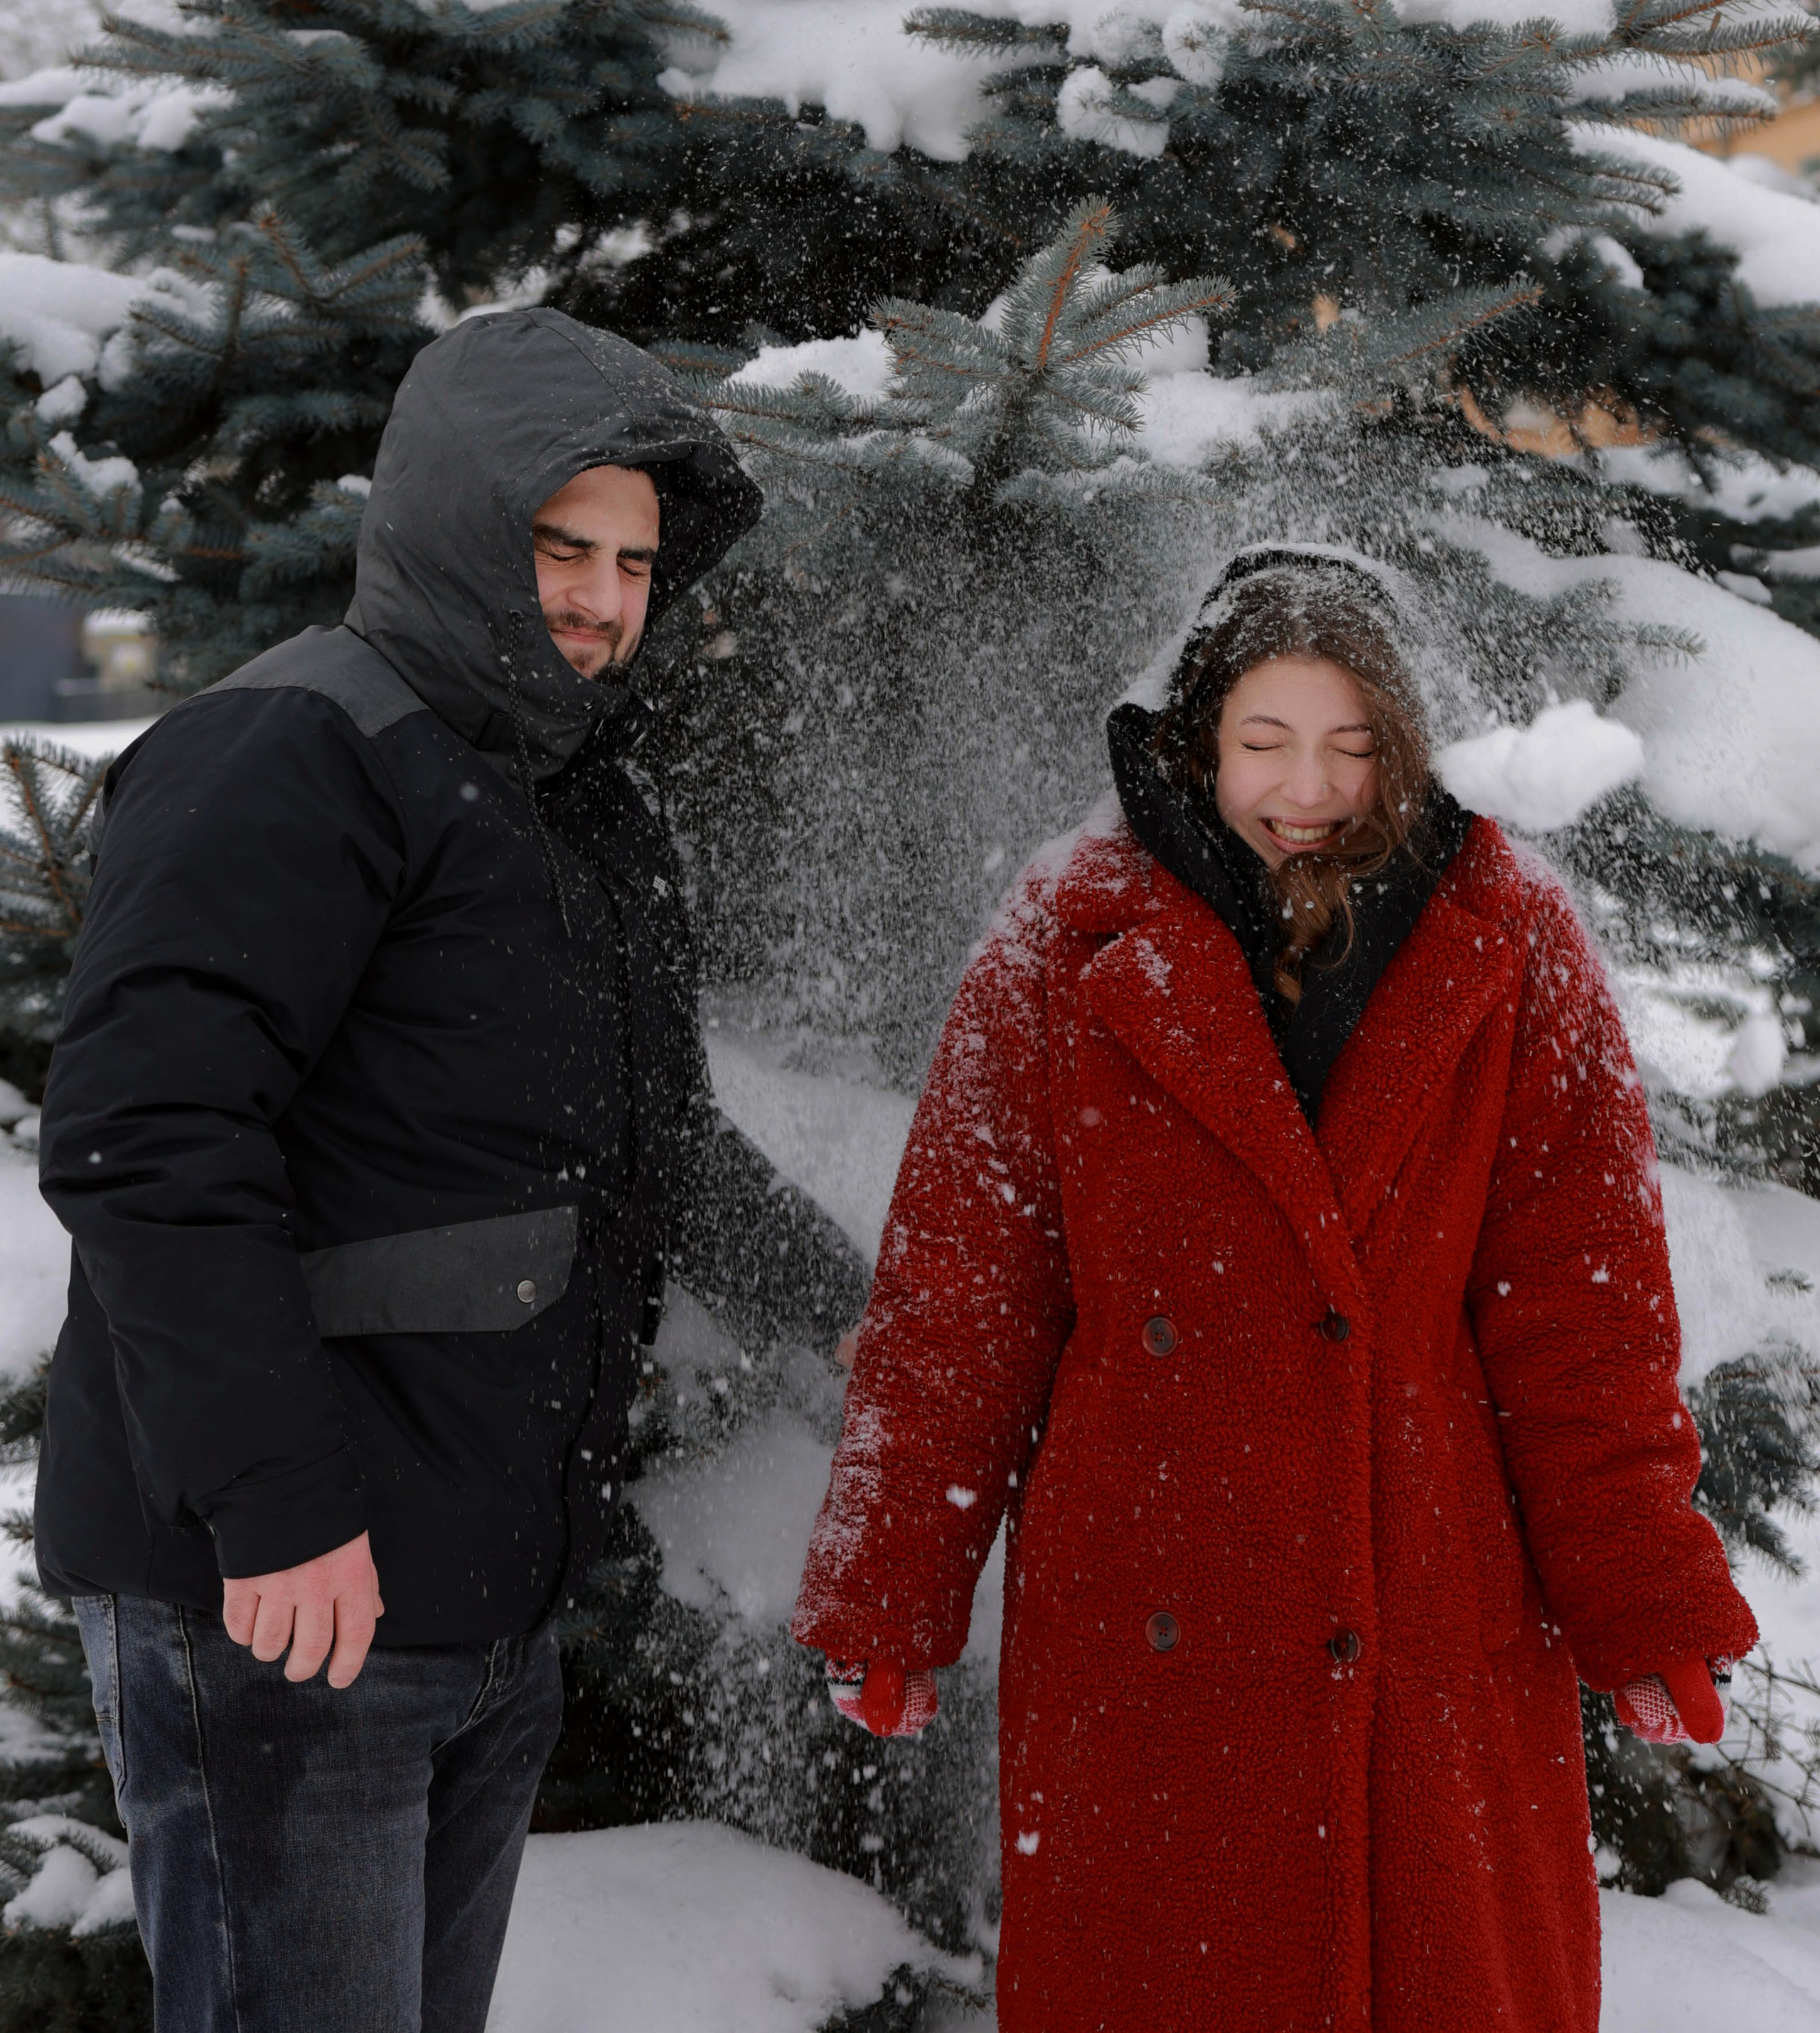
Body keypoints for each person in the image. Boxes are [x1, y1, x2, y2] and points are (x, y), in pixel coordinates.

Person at [34, 308, 869, 2033]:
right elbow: (146, 1138)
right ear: (455, 527)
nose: (604, 595)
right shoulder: (294, 752)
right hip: (286, 1599)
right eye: (562, 544)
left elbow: (656, 1150)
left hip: (481, 1595)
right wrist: (277, 1507)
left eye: (636, 559)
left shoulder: (581, 801)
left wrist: (857, 1320)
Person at [792, 545, 1757, 2033]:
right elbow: (962, 1290)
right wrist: (890, 1578)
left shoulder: (1511, 941)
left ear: (1404, 745)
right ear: (1195, 737)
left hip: (1425, 1586)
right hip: (1154, 1608)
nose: (1304, 789)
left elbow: (1584, 1321)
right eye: (1263, 743)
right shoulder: (1064, 937)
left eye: (1350, 747)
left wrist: (1639, 1584)